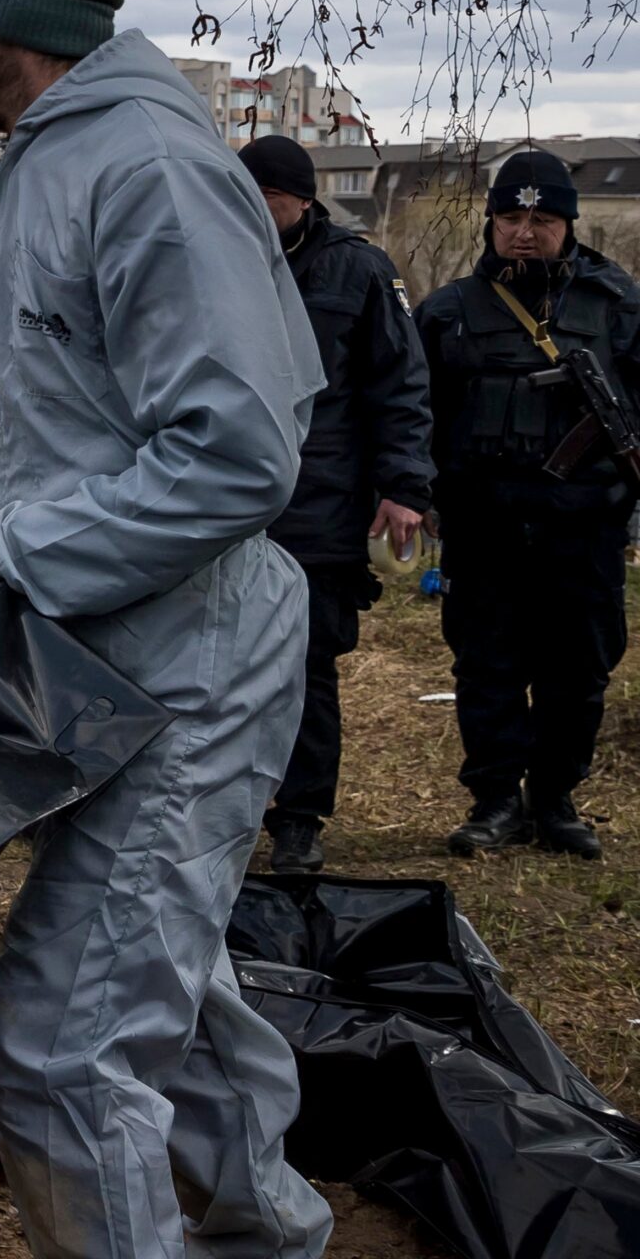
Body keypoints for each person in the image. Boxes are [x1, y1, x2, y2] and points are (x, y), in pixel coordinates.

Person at [0, 0, 334, 1256]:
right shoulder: (53, 165)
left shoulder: (146, 169)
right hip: (118, 654)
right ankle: (265, 1233)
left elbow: (238, 456)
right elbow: (78, 422)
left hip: (191, 672)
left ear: (6, 29)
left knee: (64, 1056)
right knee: (169, 984)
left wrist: (16, 559)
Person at [415, 148, 640, 862]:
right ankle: (494, 802)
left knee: (579, 669)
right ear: (490, 222)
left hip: (586, 525)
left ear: (568, 224)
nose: (524, 231)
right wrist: (415, 496)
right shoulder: (448, 312)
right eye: (511, 217)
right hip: (485, 527)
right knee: (487, 668)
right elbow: (413, 412)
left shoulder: (617, 306)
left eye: (542, 219)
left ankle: (556, 800)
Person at [235, 135, 435, 873]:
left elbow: (400, 386)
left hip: (319, 505)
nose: (254, 214)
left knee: (304, 664)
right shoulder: (211, 262)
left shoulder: (358, 271)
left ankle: (300, 819)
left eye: (270, 202)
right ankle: (224, 801)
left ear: (303, 203)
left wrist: (405, 488)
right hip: (222, 505)